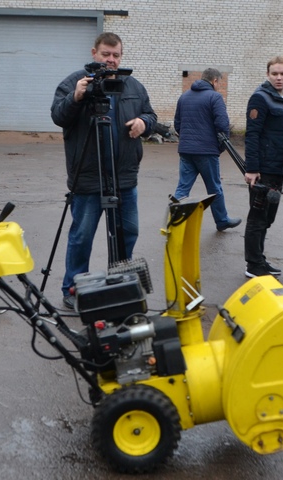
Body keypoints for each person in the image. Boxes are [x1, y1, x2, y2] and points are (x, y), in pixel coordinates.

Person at [50, 32, 157, 309]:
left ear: (121, 56)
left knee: (128, 232)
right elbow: (58, 116)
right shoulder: (74, 82)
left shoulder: (133, 86)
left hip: (124, 177)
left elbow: (151, 115)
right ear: (94, 53)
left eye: (116, 55)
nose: (111, 60)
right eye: (106, 54)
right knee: (82, 236)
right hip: (87, 177)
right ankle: (72, 289)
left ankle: (120, 283)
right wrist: (76, 97)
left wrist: (144, 123)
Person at [243, 56, 283, 278]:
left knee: (268, 217)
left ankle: (260, 259)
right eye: (274, 74)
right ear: (268, 74)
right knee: (257, 217)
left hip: (277, 168)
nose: (279, 78)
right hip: (263, 169)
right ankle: (253, 265)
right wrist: (252, 168)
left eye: (282, 74)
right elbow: (252, 135)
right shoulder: (260, 98)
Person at [172, 68, 241, 231]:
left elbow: (177, 124)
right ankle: (222, 220)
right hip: (207, 151)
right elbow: (222, 125)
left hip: (186, 150)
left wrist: (187, 140)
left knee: (183, 187)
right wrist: (220, 147)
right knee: (214, 187)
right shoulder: (215, 97)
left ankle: (174, 221)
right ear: (214, 81)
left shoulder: (184, 97)